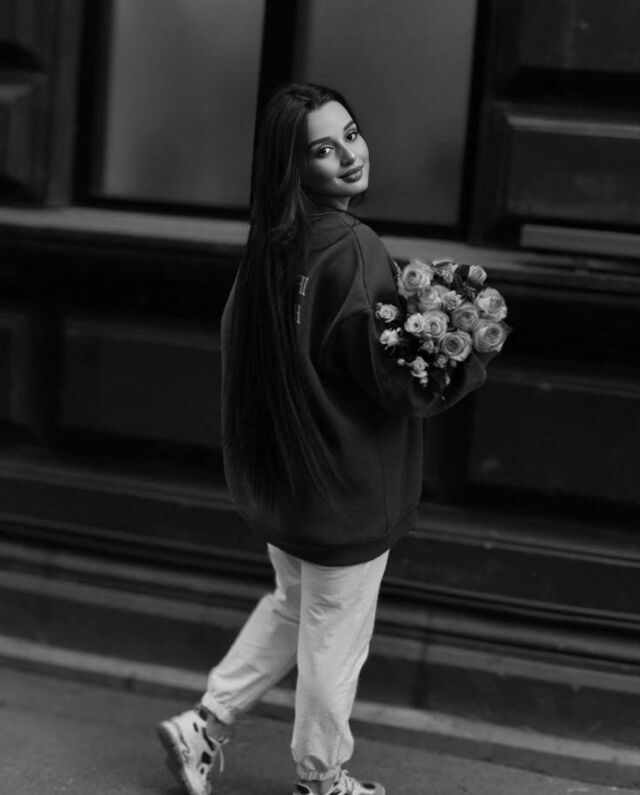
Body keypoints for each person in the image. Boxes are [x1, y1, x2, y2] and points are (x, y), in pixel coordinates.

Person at [157, 83, 493, 795]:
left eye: (352, 134)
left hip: (288, 481)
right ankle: (321, 779)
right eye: (322, 149)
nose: (348, 156)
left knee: (292, 606)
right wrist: (465, 354)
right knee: (335, 643)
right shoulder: (353, 248)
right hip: (346, 489)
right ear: (294, 166)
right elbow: (393, 383)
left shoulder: (269, 250)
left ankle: (204, 724)